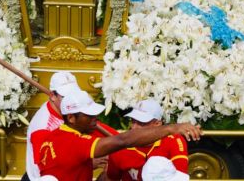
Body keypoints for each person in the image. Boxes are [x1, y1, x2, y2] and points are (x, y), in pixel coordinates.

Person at [36, 90, 201, 180]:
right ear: (71, 118)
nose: (96, 120)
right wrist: (172, 128)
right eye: (89, 116)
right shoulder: (73, 142)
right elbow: (122, 140)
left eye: (95, 114)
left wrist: (86, 164)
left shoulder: (58, 136)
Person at [106, 99, 189, 181]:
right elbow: (111, 178)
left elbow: (179, 175)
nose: (134, 128)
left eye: (141, 123)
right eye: (133, 121)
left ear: (157, 124)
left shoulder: (173, 140)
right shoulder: (119, 147)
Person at [24, 71, 82, 180]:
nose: (72, 100)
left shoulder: (64, 110)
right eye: (66, 96)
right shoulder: (42, 128)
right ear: (52, 96)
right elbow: (46, 170)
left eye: (74, 95)